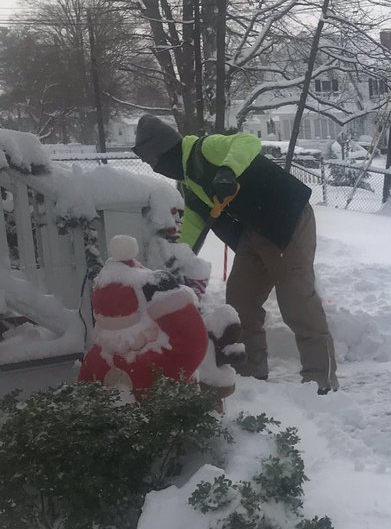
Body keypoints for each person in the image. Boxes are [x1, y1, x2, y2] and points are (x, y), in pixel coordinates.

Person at [133, 115, 338, 393]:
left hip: (287, 221)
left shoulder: (204, 150)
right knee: (241, 302)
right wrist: (173, 265)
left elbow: (247, 142)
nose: (154, 168)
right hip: (255, 233)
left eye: (152, 161)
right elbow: (191, 233)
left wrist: (227, 171)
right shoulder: (191, 188)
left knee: (297, 301)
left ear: (163, 152)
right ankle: (252, 373)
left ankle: (321, 381)